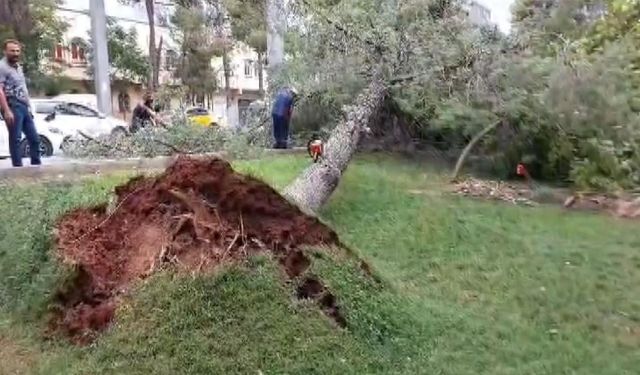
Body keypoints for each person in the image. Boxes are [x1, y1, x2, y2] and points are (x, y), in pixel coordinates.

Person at [0, 39, 40, 167]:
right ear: (5, 51)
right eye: (12, 51)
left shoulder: (18, 67)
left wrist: (29, 107)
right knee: (15, 138)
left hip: (23, 106)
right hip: (12, 105)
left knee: (34, 138)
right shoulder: (2, 67)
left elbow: (23, 88)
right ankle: (17, 169)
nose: (15, 53)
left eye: (17, 51)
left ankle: (36, 167)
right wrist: (6, 110)